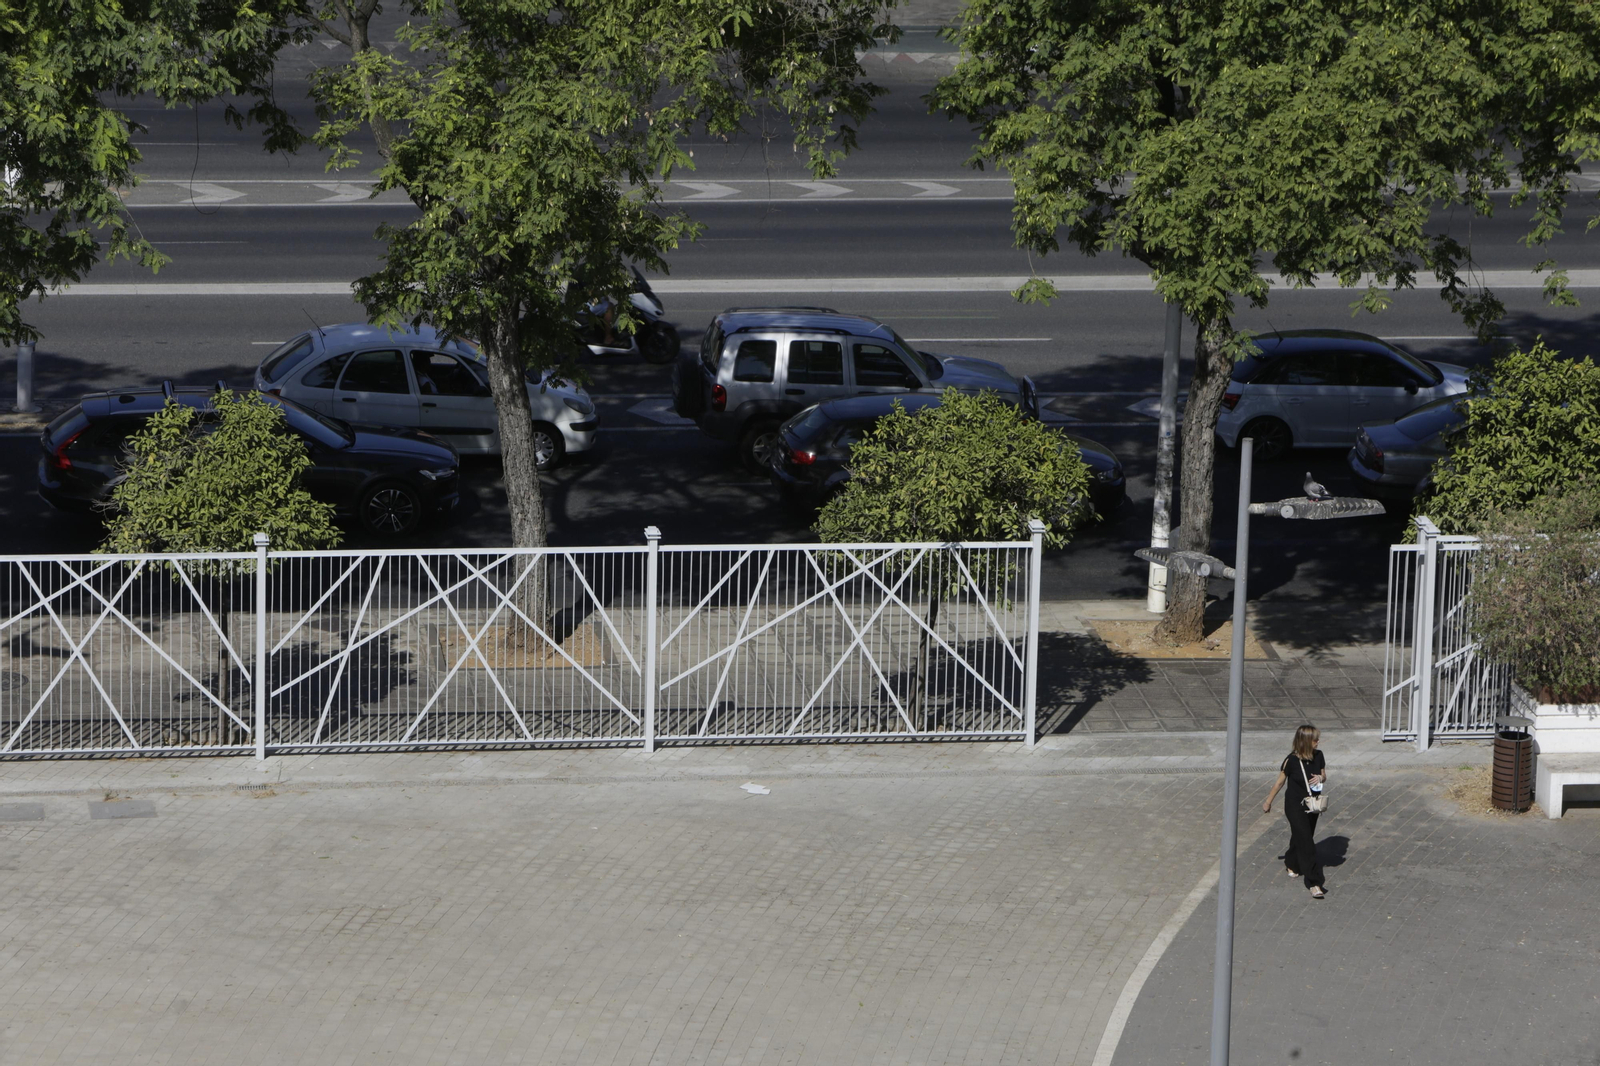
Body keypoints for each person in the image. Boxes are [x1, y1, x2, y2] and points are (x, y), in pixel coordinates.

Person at [1262, 724, 1328, 899]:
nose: (1318, 741)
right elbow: (1279, 783)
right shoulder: (1291, 761)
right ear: (1306, 741)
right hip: (1294, 805)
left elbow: (1323, 774)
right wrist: (1268, 802)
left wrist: (1321, 777)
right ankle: (1314, 882)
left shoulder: (1319, 756)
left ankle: (1291, 862)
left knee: (1302, 837)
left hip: (1312, 804)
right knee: (1306, 842)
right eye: (1315, 739)